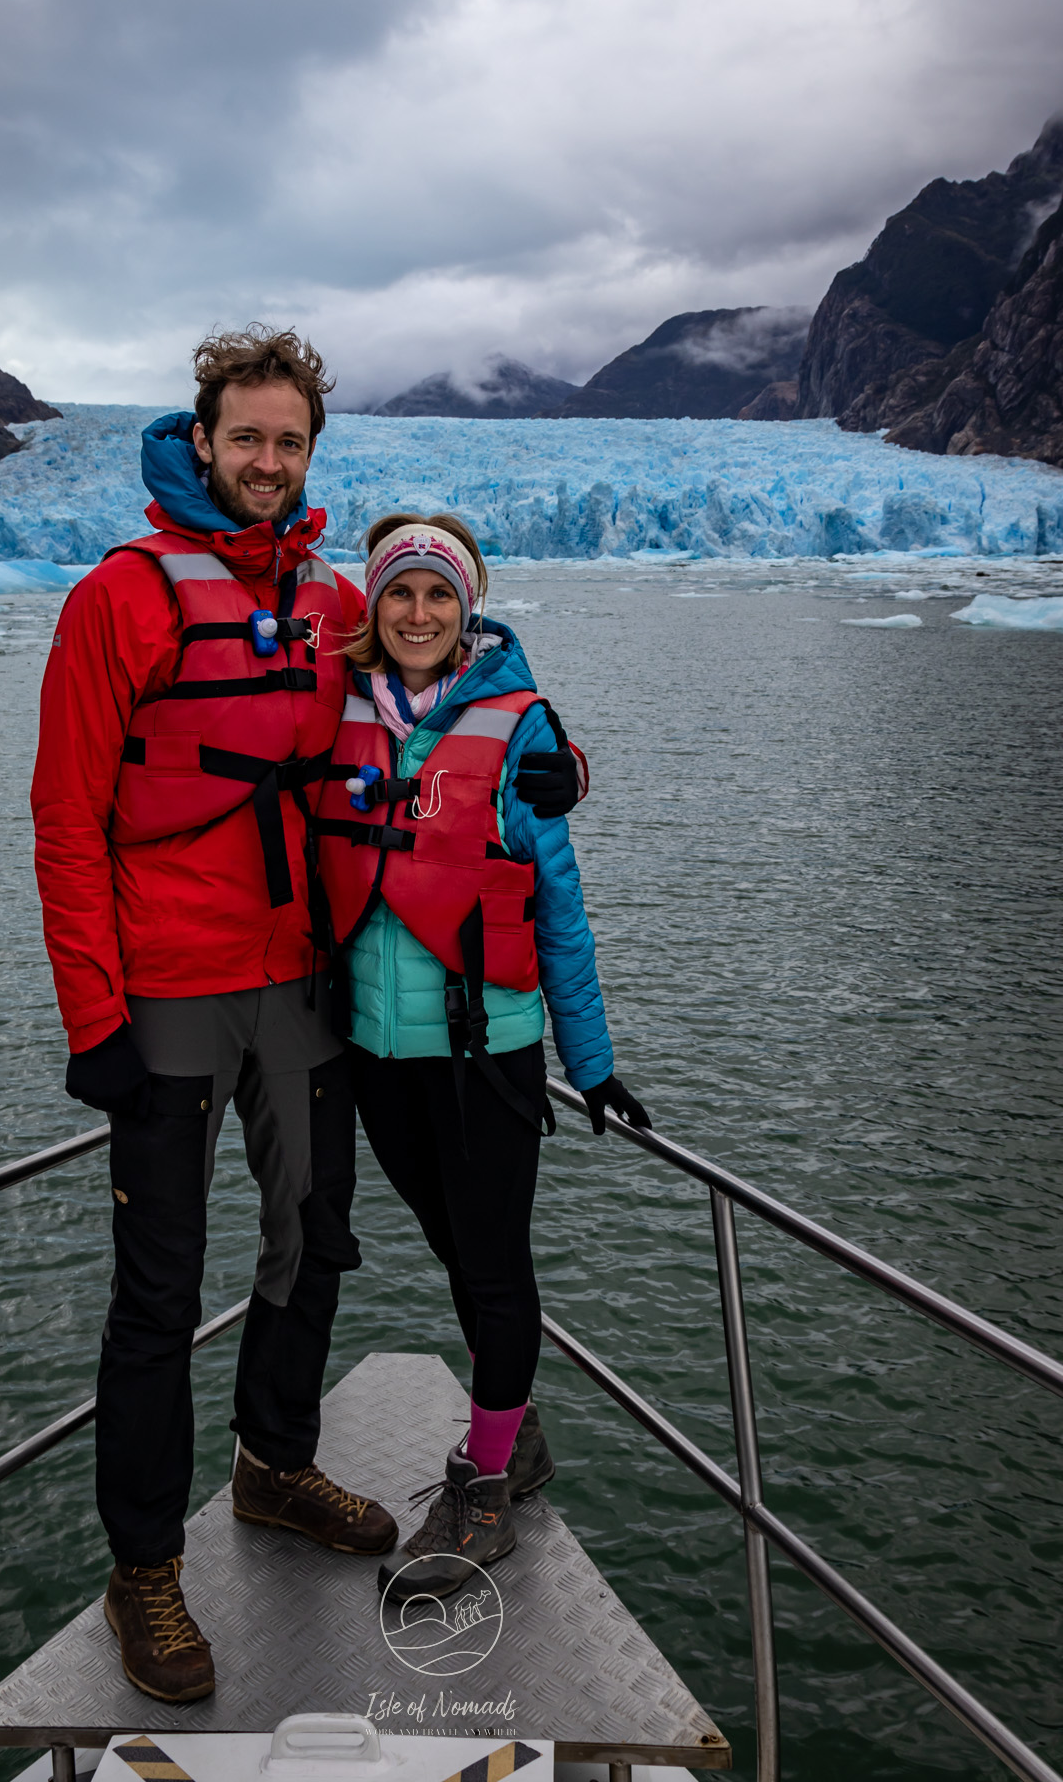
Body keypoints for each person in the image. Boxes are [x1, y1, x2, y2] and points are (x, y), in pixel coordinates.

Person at [31, 330, 583, 1703]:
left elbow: (442, 675)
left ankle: (274, 1466)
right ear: (201, 439)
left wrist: (555, 756)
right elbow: (62, 818)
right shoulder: (122, 598)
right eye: (247, 438)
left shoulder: (336, 601)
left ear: (307, 456)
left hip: (300, 983)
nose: (266, 462)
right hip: (163, 988)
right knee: (157, 1294)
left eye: (290, 443)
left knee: (310, 1242)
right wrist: (90, 1017)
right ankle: (143, 1570)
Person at [313, 512, 650, 1604]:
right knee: (458, 1252)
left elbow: (560, 909)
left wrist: (590, 1062)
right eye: (400, 591)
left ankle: (488, 1480)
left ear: (469, 611)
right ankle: (519, 1431)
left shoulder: (516, 733)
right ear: (375, 603)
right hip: (375, 1052)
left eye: (439, 595)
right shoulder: (338, 709)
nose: (417, 612)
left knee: (495, 1268)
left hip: (484, 1049)